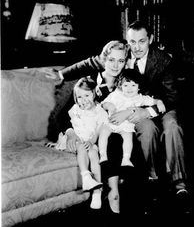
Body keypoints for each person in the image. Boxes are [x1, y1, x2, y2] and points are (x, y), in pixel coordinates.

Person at [44, 40, 131, 214]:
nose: (115, 65)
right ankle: (110, 194)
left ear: (126, 62)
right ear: (103, 59)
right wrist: (71, 134)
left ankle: (113, 194)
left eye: (120, 61)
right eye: (111, 60)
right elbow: (62, 115)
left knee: (115, 139)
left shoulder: (126, 84)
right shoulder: (89, 83)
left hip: (112, 134)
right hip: (88, 136)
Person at [122, 20, 188, 196]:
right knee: (147, 128)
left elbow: (172, 98)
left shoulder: (163, 60)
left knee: (173, 127)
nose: (136, 47)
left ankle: (179, 181)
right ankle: (151, 176)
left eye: (141, 41)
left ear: (150, 39)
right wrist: (61, 73)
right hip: (137, 108)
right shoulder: (123, 55)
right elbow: (92, 61)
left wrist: (151, 110)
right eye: (132, 42)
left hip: (164, 106)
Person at [49, 76, 108, 209]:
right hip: (74, 143)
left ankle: (97, 191)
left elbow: (99, 130)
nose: (83, 100)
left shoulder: (100, 112)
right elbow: (64, 122)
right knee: (81, 146)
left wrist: (92, 142)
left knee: (94, 155)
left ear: (94, 93)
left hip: (89, 142)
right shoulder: (75, 109)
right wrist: (63, 138)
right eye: (79, 97)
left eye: (87, 95)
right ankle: (86, 176)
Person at [99, 69, 166, 168]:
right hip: (111, 122)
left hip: (126, 126)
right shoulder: (115, 95)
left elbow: (154, 101)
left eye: (133, 85)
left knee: (128, 137)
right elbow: (102, 104)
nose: (129, 89)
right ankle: (103, 154)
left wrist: (159, 102)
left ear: (139, 87)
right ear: (120, 86)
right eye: (126, 85)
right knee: (103, 131)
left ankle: (126, 158)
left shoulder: (140, 98)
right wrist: (108, 105)